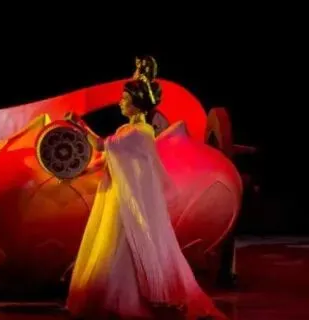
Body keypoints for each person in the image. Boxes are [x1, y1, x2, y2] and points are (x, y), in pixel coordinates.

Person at [63, 57, 225, 320]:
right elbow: (106, 158)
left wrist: (79, 125)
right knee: (114, 248)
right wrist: (80, 171)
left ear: (136, 103)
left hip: (131, 202)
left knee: (125, 247)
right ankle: (111, 299)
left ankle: (132, 300)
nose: (120, 102)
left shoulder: (141, 133)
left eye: (124, 98)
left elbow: (103, 145)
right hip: (118, 199)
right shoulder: (126, 130)